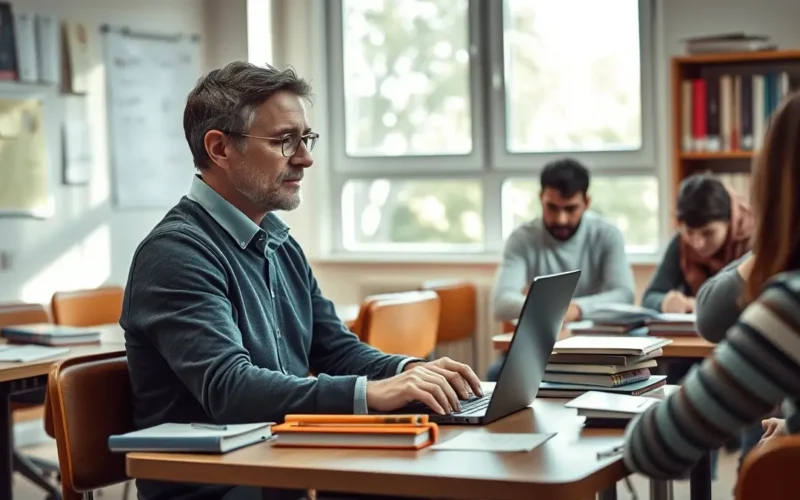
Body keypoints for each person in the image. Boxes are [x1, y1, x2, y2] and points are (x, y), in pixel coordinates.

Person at [120, 62, 483, 500]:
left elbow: (335, 348)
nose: (306, 157)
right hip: (223, 485)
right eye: (284, 141)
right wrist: (371, 393)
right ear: (219, 148)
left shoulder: (277, 240)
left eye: (305, 139)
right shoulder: (175, 253)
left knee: (449, 474)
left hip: (287, 463)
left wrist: (411, 371)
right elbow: (230, 389)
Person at [622, 91, 800, 480]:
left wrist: (775, 244)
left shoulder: (791, 306)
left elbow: (650, 447)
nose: (698, 244)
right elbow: (660, 296)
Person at [487, 158, 635, 381]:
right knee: (496, 374)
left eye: (571, 209)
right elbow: (501, 303)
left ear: (587, 201)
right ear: (541, 198)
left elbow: (625, 294)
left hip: (596, 347)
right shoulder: (522, 239)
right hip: (539, 349)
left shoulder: (607, 235)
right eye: (552, 207)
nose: (561, 218)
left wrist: (578, 309)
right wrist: (555, 310)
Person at [641, 173, 754, 314]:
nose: (697, 243)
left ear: (730, 222)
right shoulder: (681, 242)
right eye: (689, 232)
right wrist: (665, 302)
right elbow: (650, 296)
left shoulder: (753, 244)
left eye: (708, 233)